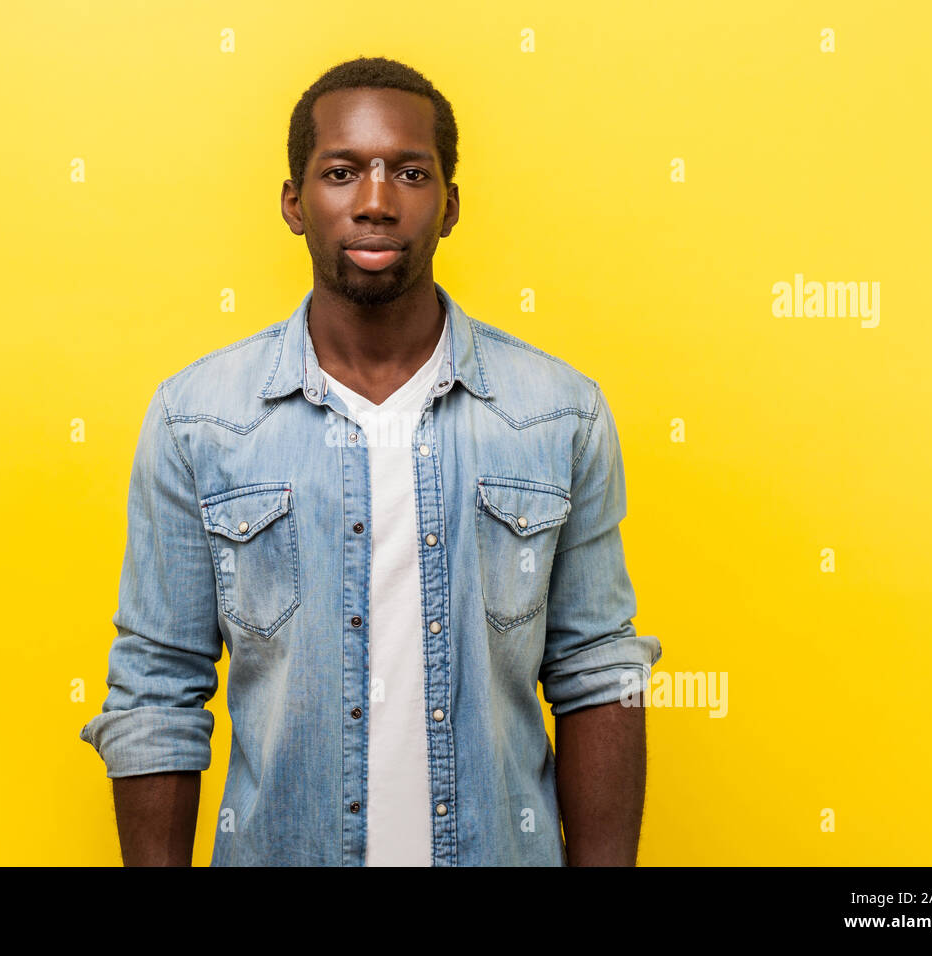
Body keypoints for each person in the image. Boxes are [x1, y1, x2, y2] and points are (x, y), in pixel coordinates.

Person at [80, 55, 661, 866]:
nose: (377, 201)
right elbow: (157, 685)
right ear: (294, 202)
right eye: (343, 172)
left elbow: (597, 674)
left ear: (451, 204)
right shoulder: (198, 420)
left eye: (411, 173)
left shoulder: (557, 413)